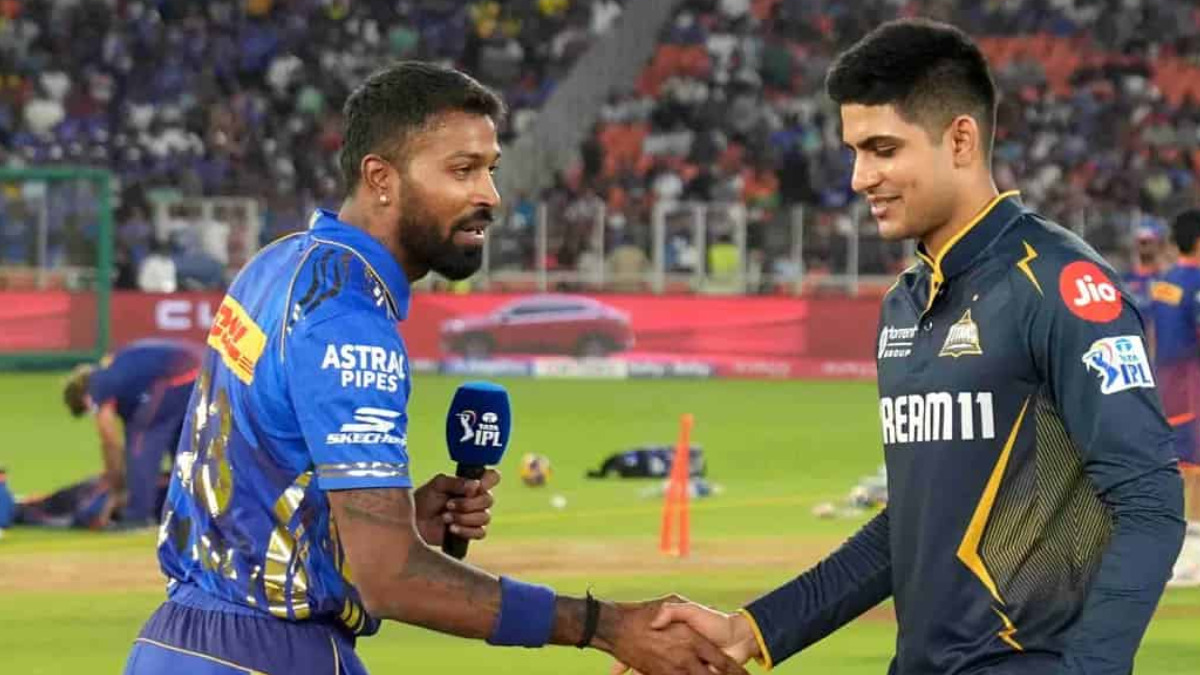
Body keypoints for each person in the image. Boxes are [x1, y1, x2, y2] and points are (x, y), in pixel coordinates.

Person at [124, 62, 745, 675]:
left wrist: (391, 519)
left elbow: (252, 502)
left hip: (171, 646)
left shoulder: (278, 264)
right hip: (271, 656)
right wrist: (605, 626)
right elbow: (391, 579)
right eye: (463, 170)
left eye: (490, 170)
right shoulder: (347, 319)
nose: (490, 196)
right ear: (381, 178)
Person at [621, 19, 1185, 675]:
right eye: (854, 151)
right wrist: (752, 628)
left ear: (961, 140)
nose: (860, 177)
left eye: (883, 148)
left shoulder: (1060, 284)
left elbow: (1150, 501)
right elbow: (912, 527)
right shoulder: (904, 304)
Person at [40, 338, 203, 529]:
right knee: (183, 448)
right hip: (203, 370)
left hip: (179, 373)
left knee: (141, 440)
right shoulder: (121, 380)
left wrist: (116, 486)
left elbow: (110, 440)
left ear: (84, 397)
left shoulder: (98, 383)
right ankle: (195, 513)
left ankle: (137, 516)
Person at [1148, 208, 1200, 585]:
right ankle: (1190, 556)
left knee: (1179, 465)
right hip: (1193, 383)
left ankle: (1177, 550)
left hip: (1167, 385)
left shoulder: (1164, 283)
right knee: (1194, 470)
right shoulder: (1196, 284)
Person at [1124, 222, 1163, 312]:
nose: (1145, 245)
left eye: (1149, 241)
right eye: (1142, 242)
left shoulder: (1165, 279)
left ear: (1158, 244)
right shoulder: (1125, 279)